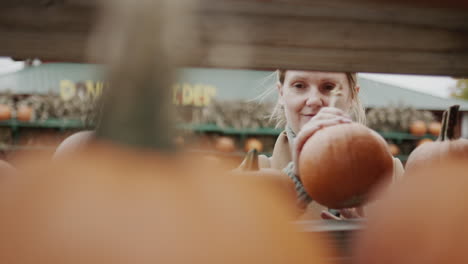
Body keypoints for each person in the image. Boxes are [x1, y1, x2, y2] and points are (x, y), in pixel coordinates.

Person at [243, 70, 404, 219]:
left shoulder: (392, 173)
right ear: (281, 94)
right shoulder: (254, 169)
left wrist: (369, 237)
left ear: (352, 97)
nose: (313, 100)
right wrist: (294, 185)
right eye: (299, 86)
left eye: (328, 87)